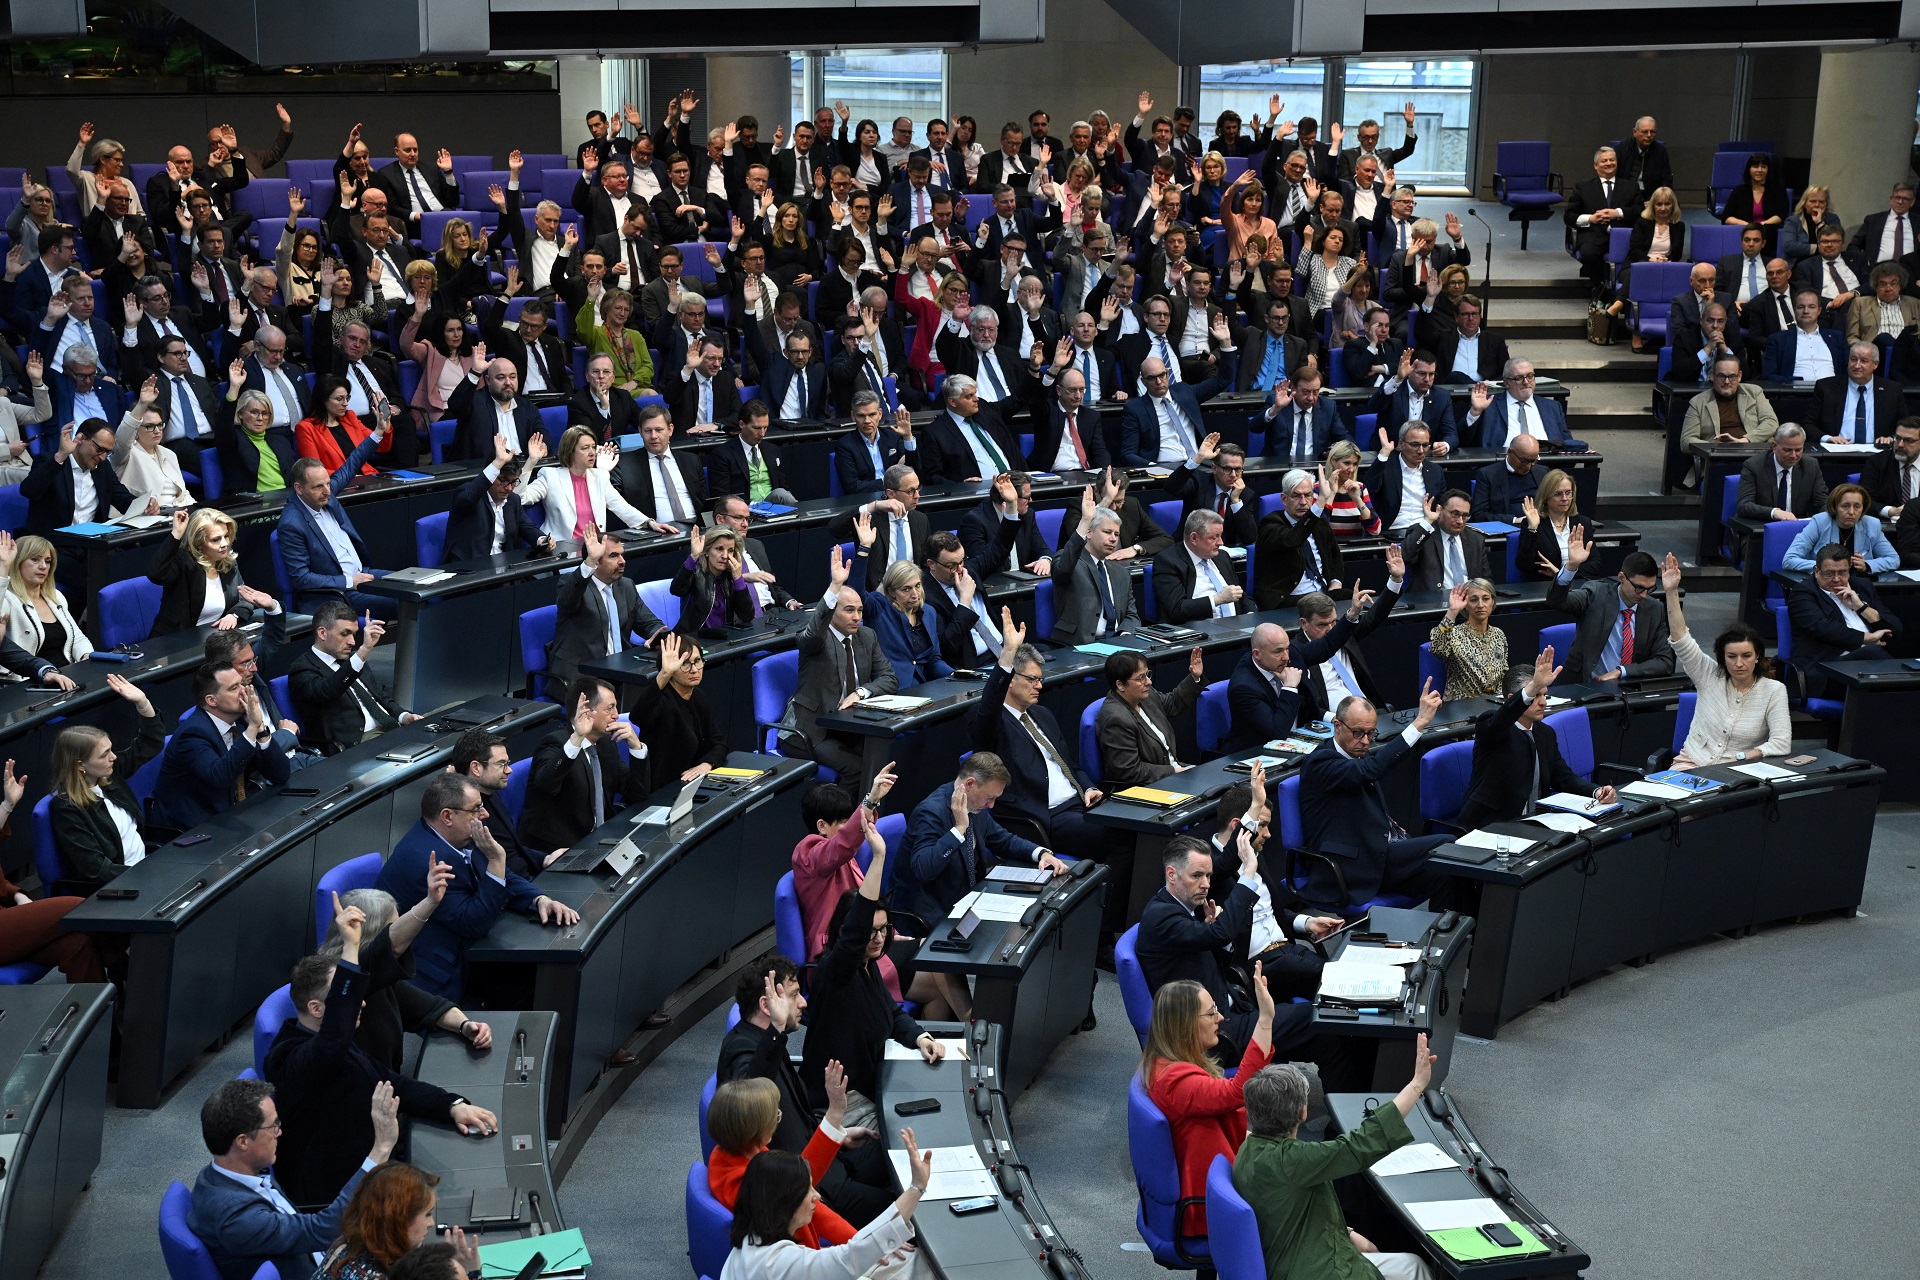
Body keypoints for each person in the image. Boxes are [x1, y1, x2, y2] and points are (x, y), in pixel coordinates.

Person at [264, 895, 494, 1207]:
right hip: (334, 1199)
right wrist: (349, 948)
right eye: (348, 999)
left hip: (367, 1164)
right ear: (316, 1009)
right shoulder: (292, 1059)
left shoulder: (341, 1048)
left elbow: (389, 1083)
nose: (360, 1003)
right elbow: (332, 1041)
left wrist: (452, 1105)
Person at [1234, 1035, 1439, 1280]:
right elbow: (1361, 1144)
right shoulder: (1295, 1160)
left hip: (1290, 1251)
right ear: (1303, 1112)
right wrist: (1417, 1084)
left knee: (1412, 1265)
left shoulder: (1248, 1148)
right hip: (1315, 1270)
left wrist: (1349, 1233)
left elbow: (1295, 1207)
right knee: (1416, 1270)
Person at [719, 963, 897, 1227]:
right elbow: (752, 1098)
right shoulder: (744, 1050)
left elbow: (795, 1119)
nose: (803, 1003)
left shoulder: (763, 1039)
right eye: (794, 995)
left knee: (899, 1150)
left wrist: (839, 1135)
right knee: (910, 1211)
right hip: (815, 1189)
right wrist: (776, 1032)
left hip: (833, 1161)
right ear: (768, 1007)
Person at [378, 773, 578, 999]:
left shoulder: (457, 835)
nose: (485, 814)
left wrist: (539, 899)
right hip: (438, 973)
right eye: (476, 808)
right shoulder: (428, 860)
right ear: (447, 816)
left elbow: (503, 876)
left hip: (468, 948)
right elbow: (473, 922)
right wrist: (496, 860)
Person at [187, 1077, 400, 1280]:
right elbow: (321, 1231)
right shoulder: (236, 1218)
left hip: (321, 1256)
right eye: (273, 1126)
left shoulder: (227, 1172)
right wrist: (381, 1148)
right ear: (243, 1142)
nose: (279, 1133)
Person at [801, 838, 945, 1126]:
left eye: (883, 929)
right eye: (870, 931)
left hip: (873, 1082)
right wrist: (879, 858)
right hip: (843, 1100)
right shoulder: (835, 972)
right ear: (846, 933)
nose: (879, 939)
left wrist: (920, 1038)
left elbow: (891, 1010)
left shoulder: (868, 965)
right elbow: (856, 931)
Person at [1138, 969, 1279, 1238]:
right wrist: (1265, 1021)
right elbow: (1237, 1092)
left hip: (1220, 1185)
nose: (1221, 1018)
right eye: (1211, 1012)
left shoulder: (1165, 1066)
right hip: (1213, 1206)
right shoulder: (1175, 1081)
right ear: (1186, 1024)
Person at [967, 612, 1108, 861]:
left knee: (1136, 826)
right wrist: (1008, 654)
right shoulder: (993, 722)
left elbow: (1071, 765)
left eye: (1040, 680)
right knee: (1121, 837)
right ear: (1010, 681)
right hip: (1047, 816)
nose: (1040, 686)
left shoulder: (1042, 714)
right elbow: (988, 706)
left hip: (1081, 804)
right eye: (1032, 679)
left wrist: (1088, 787)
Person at [1298, 680, 1449, 909]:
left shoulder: (1357, 752)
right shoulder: (1321, 763)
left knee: (1450, 871)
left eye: (1371, 733)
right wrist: (1419, 723)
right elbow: (1372, 770)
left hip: (1376, 849)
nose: (1366, 741)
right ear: (1337, 726)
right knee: (1447, 845)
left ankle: (1448, 935)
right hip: (1350, 864)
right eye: (1358, 733)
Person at [315, 885, 492, 1075]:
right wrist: (430, 902)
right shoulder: (346, 985)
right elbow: (392, 945)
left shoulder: (381, 982)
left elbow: (431, 1007)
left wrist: (465, 1026)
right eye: (395, 927)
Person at [718, 1136, 931, 1280]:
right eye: (807, 1190)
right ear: (784, 1204)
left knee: (911, 1261)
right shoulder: (779, 1263)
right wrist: (917, 1187)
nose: (817, 1196)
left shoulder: (750, 1238)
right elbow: (849, 1259)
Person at [1455, 647, 1617, 830]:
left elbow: (1563, 778)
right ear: (1512, 699)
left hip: (1535, 824)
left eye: (1544, 694)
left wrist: (1596, 792)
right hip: (1490, 828)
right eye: (1535, 695)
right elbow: (1500, 721)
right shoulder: (1491, 726)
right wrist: (1530, 689)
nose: (1543, 702)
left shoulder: (1545, 733)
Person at [894, 752, 1067, 922]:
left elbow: (1003, 840)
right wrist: (959, 828)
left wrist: (1042, 853)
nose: (991, 805)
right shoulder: (931, 812)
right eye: (989, 798)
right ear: (970, 784)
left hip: (971, 899)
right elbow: (923, 870)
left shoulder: (973, 803)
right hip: (933, 910)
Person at [783, 546, 899, 795]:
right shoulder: (817, 639)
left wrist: (860, 693)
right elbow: (812, 632)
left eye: (859, 610)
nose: (857, 617)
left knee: (884, 757)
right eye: (849, 610)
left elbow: (889, 678)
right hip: (811, 730)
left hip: (849, 726)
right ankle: (845, 827)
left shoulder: (866, 636)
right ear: (832, 611)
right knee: (858, 768)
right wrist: (834, 587)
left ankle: (868, 819)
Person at [1658, 553, 1791, 768]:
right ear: (1723, 658)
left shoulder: (1774, 691)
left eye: (1746, 655)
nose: (1739, 663)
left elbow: (1781, 744)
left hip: (1736, 773)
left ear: (1757, 656)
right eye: (1732, 656)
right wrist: (1671, 592)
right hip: (1691, 763)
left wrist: (1743, 757)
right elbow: (1681, 639)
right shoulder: (1708, 674)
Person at [150, 660, 297, 837]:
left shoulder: (240, 723)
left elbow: (280, 774)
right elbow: (220, 777)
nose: (244, 691)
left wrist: (260, 730)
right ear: (212, 700)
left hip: (233, 817)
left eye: (242, 683)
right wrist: (252, 728)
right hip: (194, 831)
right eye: (234, 688)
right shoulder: (192, 734)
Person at [48, 671, 164, 894]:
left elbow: (150, 743)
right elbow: (97, 869)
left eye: (111, 750)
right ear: (80, 764)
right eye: (104, 754)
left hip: (144, 869)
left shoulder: (109, 775)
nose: (113, 757)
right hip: (120, 887)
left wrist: (143, 703)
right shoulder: (67, 807)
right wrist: (147, 877)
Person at [518, 677, 652, 855]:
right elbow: (546, 784)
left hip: (601, 839)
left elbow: (637, 793)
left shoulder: (606, 744)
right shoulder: (554, 743)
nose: (616, 715)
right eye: (609, 708)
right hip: (560, 849)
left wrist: (637, 748)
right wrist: (576, 740)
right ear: (587, 712)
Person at [276, 433, 395, 619]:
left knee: (417, 584)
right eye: (318, 487)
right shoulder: (291, 524)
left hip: (363, 574)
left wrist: (378, 433)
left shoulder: (325, 493)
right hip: (339, 594)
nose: (327, 492)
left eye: (328, 484)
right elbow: (301, 578)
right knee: (406, 600)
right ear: (299, 488)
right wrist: (349, 581)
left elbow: (350, 466)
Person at [287, 602, 418, 755]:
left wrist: (404, 716)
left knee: (446, 723)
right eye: (344, 634)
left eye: (354, 634)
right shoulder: (302, 669)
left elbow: (380, 696)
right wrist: (363, 652)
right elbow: (327, 690)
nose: (353, 642)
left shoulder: (352, 660)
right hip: (359, 742)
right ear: (322, 633)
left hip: (391, 726)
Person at [547, 524, 666, 692]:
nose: (622, 561)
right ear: (596, 561)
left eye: (622, 555)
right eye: (613, 556)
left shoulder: (626, 586)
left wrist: (658, 636)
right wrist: (589, 562)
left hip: (621, 672)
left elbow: (648, 623)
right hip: (582, 677)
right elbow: (568, 600)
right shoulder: (571, 583)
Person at [315, 1162, 479, 1280]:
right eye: (428, 1214)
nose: (431, 1223)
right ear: (400, 1220)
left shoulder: (346, 1246)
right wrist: (471, 1272)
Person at [1543, 539, 1675, 684]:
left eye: (1650, 589)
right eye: (1639, 588)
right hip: (1584, 685)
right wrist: (1571, 567)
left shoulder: (1655, 609)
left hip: (1626, 688)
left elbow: (1665, 661)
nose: (1644, 595)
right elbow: (1557, 601)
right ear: (1621, 578)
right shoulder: (1596, 594)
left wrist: (1621, 671)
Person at [1787, 542, 1903, 693]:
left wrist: (1860, 606)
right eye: (1829, 573)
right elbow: (1822, 628)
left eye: (1842, 572)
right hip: (1826, 670)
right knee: (1872, 652)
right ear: (1816, 571)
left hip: (1868, 668)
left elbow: (1895, 629)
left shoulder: (1862, 586)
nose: (1836, 579)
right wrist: (1868, 638)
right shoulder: (1802, 593)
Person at [517, 426, 659, 539]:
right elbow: (520, 498)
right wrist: (531, 461)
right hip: (563, 549)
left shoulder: (600, 477)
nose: (592, 452)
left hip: (595, 547)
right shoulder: (550, 476)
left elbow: (622, 507)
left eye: (593, 447)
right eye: (585, 448)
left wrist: (649, 522)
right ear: (570, 451)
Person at [448, 730, 552, 879]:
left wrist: (545, 858)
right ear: (476, 768)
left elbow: (512, 846)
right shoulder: (466, 815)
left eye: (507, 763)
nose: (509, 770)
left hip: (529, 879)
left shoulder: (491, 793)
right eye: (501, 764)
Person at [1096, 647, 1206, 786]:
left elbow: (1172, 703)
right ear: (1120, 685)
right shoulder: (1116, 719)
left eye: (1147, 674)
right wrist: (1173, 771)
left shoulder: (1144, 695)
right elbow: (1129, 771)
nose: (1148, 682)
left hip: (1174, 773)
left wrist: (1194, 677)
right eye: (1141, 678)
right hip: (1150, 786)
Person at [632, 632, 727, 784]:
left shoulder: (698, 697)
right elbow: (638, 716)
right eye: (684, 664)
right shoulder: (661, 700)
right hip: (662, 789)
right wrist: (664, 673)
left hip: (691, 783)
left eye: (697, 661)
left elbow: (718, 742)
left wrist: (706, 764)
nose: (694, 669)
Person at [1050, 484, 1139, 644]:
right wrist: (1085, 521)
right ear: (1089, 533)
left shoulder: (1121, 573)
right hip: (1079, 647)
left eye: (1116, 534)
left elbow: (1131, 615)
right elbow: (1062, 571)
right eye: (1107, 532)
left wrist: (1125, 636)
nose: (1113, 539)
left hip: (1118, 645)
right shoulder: (1069, 560)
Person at [442, 438, 550, 563]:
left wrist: (541, 539)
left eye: (513, 482)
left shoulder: (512, 500)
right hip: (470, 571)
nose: (509, 488)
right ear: (493, 475)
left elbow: (526, 527)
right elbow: (467, 498)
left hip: (503, 569)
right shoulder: (468, 495)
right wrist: (497, 463)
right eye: (503, 481)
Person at [0, 533, 92, 671]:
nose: (43, 566)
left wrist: (86, 655)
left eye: (48, 561)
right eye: (35, 560)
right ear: (17, 562)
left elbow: (77, 638)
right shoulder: (7, 599)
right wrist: (4, 567)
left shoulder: (55, 596)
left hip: (68, 673)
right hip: (28, 680)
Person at [1254, 467, 1344, 609]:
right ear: (1284, 499)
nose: (1303, 502)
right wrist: (1321, 501)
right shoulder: (1270, 524)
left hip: (1323, 594)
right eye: (1296, 496)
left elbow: (1336, 556)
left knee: (1360, 602)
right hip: (1287, 599)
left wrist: (1335, 582)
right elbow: (1293, 539)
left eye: (1308, 495)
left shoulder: (1319, 523)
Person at [1564, 147, 1640, 297]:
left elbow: (1640, 212)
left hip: (1622, 235)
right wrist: (1590, 218)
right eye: (1604, 160)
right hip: (1593, 233)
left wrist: (1617, 213)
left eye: (1612, 160)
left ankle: (1620, 291)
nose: (1609, 163)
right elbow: (1569, 216)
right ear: (1596, 165)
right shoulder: (1583, 187)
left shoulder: (1631, 186)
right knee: (1588, 254)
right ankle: (1603, 289)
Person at [1153, 509, 1247, 623]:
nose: (1221, 542)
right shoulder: (1168, 561)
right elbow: (1176, 609)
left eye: (1220, 536)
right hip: (1199, 632)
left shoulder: (1221, 556)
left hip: (1237, 626)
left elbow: (1240, 594)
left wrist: (1251, 616)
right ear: (1194, 538)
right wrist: (1217, 599)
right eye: (1213, 537)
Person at [1784, 482, 1898, 573]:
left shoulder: (1871, 524)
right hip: (1825, 584)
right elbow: (1789, 560)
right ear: (1834, 507)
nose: (1852, 512)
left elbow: (1893, 559)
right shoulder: (1820, 522)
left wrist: (1867, 565)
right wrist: (1825, 567)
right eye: (1845, 506)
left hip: (1858, 583)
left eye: (1857, 506)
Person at [1462, 359, 1572, 448]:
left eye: (1530, 376)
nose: (1526, 382)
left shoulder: (1552, 407)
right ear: (1506, 383)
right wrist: (1475, 412)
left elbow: (1568, 444)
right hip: (1501, 466)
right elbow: (1464, 441)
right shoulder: (1488, 405)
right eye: (1519, 378)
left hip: (1547, 467)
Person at [1428, 580, 1507, 700]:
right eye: (1474, 600)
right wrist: (1453, 611)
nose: (1480, 605)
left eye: (1485, 599)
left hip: (1494, 705)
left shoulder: (1499, 634)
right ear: (1465, 604)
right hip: (1462, 706)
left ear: (1493, 602)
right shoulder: (1454, 633)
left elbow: (1504, 675)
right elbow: (1437, 649)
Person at [1814, 343, 1905, 446]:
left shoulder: (1892, 390)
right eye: (1853, 359)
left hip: (1879, 454)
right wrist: (1828, 438)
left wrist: (1891, 438)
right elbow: (1808, 424)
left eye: (1864, 361)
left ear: (1875, 364)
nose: (1857, 366)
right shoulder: (1826, 387)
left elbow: (1905, 424)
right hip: (1836, 452)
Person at [673, 524, 756, 637]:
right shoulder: (695, 572)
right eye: (719, 549)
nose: (725, 556)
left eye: (730, 550)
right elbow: (676, 590)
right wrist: (693, 557)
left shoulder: (730, 578)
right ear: (706, 551)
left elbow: (747, 616)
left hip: (724, 638)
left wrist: (738, 579)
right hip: (695, 639)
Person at [1401, 490, 1491, 593]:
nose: (1460, 521)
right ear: (1439, 510)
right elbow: (1406, 556)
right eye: (1455, 514)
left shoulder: (1476, 540)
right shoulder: (1424, 533)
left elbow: (1486, 579)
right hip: (1433, 603)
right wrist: (1427, 522)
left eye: (1465, 516)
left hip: (1468, 603)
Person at [1367, 421, 1445, 537]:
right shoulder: (1385, 467)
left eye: (1425, 445)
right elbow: (1369, 489)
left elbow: (1443, 504)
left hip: (1426, 531)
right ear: (1401, 444)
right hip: (1391, 532)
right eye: (1415, 445)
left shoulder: (1435, 471)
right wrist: (1384, 453)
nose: (1421, 451)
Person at [1516, 468, 1596, 581]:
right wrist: (1532, 529)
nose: (1565, 498)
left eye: (1568, 493)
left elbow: (1595, 564)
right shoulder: (1533, 524)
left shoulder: (1582, 523)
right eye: (1558, 494)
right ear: (1546, 497)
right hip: (1545, 586)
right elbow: (1524, 565)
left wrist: (1561, 573)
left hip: (1577, 584)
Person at [1734, 424, 1826, 522]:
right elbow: (1744, 506)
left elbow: (1822, 502)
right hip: (1763, 528)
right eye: (1788, 450)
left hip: (1798, 530)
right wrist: (1775, 512)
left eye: (1798, 450)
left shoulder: (1810, 466)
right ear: (1774, 446)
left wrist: (1830, 514)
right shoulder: (1754, 466)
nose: (1793, 455)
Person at [1684, 355, 1780, 449]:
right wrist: (1715, 446)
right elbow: (1686, 440)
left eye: (1732, 376)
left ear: (1739, 376)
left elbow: (1771, 423)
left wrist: (1744, 440)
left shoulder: (1754, 392)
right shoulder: (1698, 402)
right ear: (1712, 376)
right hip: (1718, 458)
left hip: (1754, 454)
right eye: (1721, 376)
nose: (1726, 381)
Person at [1469, 435, 1540, 526]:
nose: (1529, 466)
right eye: (1524, 461)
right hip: (1507, 527)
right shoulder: (1488, 475)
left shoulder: (1542, 472)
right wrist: (1515, 520)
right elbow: (1478, 515)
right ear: (1510, 452)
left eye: (1533, 461)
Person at [1319, 440, 1381, 538]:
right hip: (1328, 549)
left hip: (1357, 550)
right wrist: (1332, 493)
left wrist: (1357, 499)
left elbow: (1375, 530)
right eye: (1347, 463)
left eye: (1355, 464)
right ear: (1333, 461)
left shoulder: (1360, 488)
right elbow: (1318, 530)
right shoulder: (1318, 489)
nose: (1351, 469)